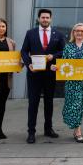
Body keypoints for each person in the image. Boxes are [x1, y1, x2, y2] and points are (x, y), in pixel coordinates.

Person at [21, 9, 65, 144]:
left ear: (51, 19)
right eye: (43, 17)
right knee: (33, 103)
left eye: (47, 17)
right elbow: (23, 51)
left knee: (49, 103)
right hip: (34, 74)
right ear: (38, 19)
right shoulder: (30, 33)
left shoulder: (58, 34)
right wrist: (28, 64)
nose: (45, 19)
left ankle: (48, 129)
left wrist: (54, 56)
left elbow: (63, 51)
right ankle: (31, 132)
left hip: (50, 74)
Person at [51, 23, 83, 143]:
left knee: (81, 105)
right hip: (71, 82)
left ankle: (76, 129)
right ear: (73, 33)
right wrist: (57, 67)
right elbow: (64, 63)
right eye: (77, 31)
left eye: (82, 31)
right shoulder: (68, 47)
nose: (79, 33)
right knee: (74, 105)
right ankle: (78, 131)